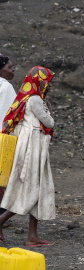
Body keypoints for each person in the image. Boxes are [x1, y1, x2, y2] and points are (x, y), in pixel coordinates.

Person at [0, 66, 56, 247]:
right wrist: (49, 108)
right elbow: (50, 122)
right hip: (33, 150)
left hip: (29, 148)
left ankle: (32, 236)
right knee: (32, 190)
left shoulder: (23, 99)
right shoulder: (35, 100)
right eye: (47, 82)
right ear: (39, 82)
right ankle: (0, 220)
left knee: (35, 190)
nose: (48, 86)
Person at [0, 53, 16, 227]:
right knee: (2, 177)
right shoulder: (5, 87)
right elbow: (9, 117)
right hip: (2, 138)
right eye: (9, 67)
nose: (13, 70)